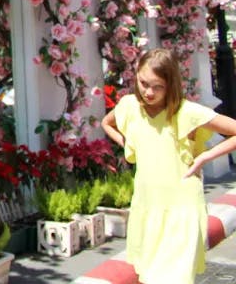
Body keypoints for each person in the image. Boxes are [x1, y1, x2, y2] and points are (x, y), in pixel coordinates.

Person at [101, 48, 236, 284]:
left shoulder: (187, 112)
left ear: (170, 84)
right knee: (148, 276)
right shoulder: (129, 106)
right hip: (147, 206)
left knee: (175, 278)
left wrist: (204, 157)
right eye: (144, 83)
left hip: (182, 210)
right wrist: (127, 142)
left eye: (158, 86)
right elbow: (106, 122)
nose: (149, 92)